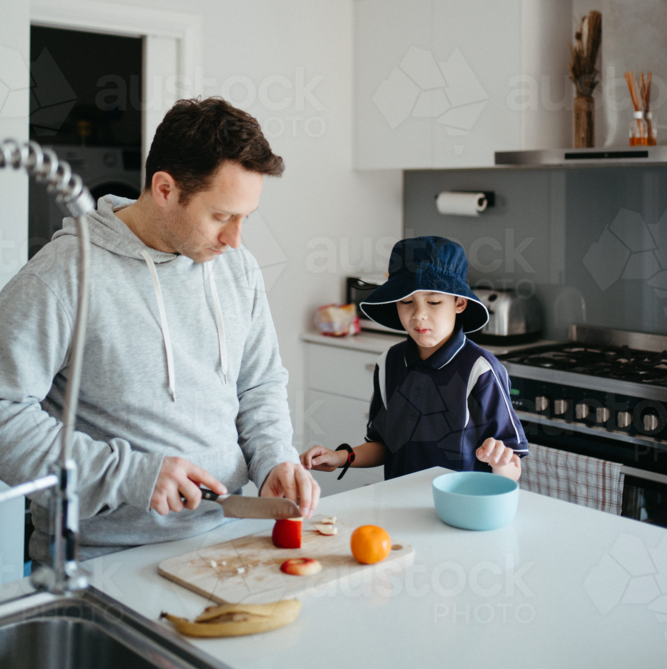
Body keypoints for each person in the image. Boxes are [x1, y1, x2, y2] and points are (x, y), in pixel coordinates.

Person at [0, 97, 319, 563]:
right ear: (165, 190)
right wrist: (128, 475)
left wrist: (273, 458)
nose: (236, 240)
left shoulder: (238, 269)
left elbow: (259, 384)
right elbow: (4, 413)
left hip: (225, 543)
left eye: (245, 217)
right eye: (221, 216)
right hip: (105, 561)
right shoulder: (64, 275)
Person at [301, 236, 528, 483]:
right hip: (398, 506)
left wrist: (501, 462)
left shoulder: (480, 370)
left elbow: (512, 464)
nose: (419, 315)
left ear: (459, 303)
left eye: (433, 302)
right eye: (406, 302)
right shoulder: (389, 363)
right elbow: (383, 445)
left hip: (460, 511)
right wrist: (341, 457)